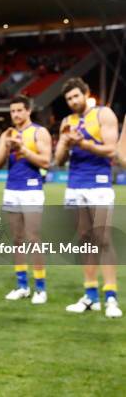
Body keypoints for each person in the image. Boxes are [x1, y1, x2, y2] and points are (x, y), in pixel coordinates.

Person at [55, 78, 121, 318]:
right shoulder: (66, 122)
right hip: (74, 185)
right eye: (69, 99)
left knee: (103, 238)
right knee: (85, 240)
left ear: (86, 94)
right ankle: (91, 295)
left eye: (76, 96)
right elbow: (58, 160)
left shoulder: (103, 114)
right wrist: (65, 142)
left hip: (99, 183)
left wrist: (82, 142)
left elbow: (110, 149)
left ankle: (111, 296)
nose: (73, 102)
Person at [0, 96, 51, 304]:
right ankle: (22, 285)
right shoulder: (7, 134)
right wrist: (7, 148)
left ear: (28, 111)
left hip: (32, 189)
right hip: (11, 190)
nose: (15, 114)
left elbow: (46, 161)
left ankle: (41, 288)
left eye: (19, 110)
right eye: (12, 111)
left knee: (33, 238)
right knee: (16, 240)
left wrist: (24, 150)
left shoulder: (38, 132)